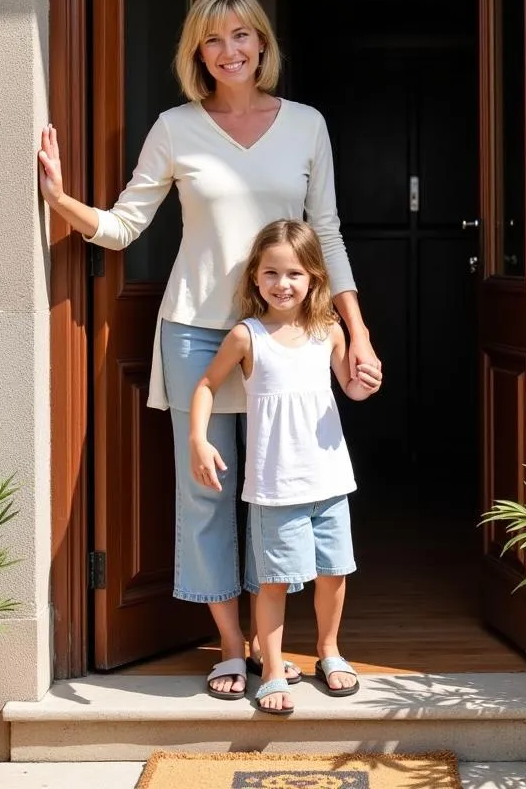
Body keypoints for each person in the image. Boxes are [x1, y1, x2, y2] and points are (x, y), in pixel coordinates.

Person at [36, 0, 382, 700]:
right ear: (198, 53)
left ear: (263, 43)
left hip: (290, 337)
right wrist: (60, 200)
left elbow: (328, 235)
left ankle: (284, 646)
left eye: (242, 36)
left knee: (279, 492)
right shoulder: (174, 128)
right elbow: (127, 224)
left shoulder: (307, 125)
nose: (230, 51)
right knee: (207, 496)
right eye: (214, 40)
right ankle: (232, 648)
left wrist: (356, 330)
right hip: (196, 332)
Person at [190, 219, 368, 715]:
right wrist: (198, 439)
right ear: (254, 278)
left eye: (293, 273)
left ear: (313, 277)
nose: (282, 284)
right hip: (274, 487)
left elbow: (347, 387)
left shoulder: (327, 331)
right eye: (271, 273)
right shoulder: (248, 337)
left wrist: (363, 384)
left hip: (330, 480)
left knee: (334, 573)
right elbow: (206, 385)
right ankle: (270, 669)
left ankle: (328, 651)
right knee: (273, 583)